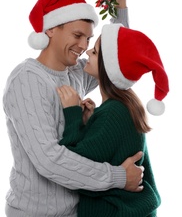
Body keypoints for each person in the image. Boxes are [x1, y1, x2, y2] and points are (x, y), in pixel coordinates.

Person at [3, 0, 144, 217]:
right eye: (77, 35)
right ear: (50, 30)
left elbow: (114, 57)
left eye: (88, 38)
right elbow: (49, 160)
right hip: (34, 213)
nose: (83, 46)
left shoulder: (75, 73)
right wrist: (119, 177)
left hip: (76, 210)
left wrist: (119, 4)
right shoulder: (26, 80)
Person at [57, 23, 169, 216]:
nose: (88, 52)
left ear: (108, 65)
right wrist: (90, 123)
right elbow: (106, 153)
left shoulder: (115, 112)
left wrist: (72, 113)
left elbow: (73, 167)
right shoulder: (123, 105)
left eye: (95, 51)